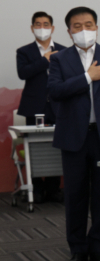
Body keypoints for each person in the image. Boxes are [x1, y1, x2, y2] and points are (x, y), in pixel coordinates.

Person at [48, 7, 100, 261]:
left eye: (88, 24)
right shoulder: (60, 59)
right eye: (77, 26)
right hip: (73, 138)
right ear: (69, 31)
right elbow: (55, 92)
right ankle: (77, 250)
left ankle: (99, 249)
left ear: (96, 27)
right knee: (75, 196)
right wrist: (87, 77)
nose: (84, 30)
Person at [16, 12, 66, 203]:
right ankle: (36, 189)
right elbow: (23, 73)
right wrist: (45, 59)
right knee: (35, 147)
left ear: (52, 28)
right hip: (33, 106)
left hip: (57, 105)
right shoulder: (24, 51)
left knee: (56, 147)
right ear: (32, 28)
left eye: (46, 24)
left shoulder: (63, 50)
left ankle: (53, 189)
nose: (42, 28)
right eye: (38, 24)